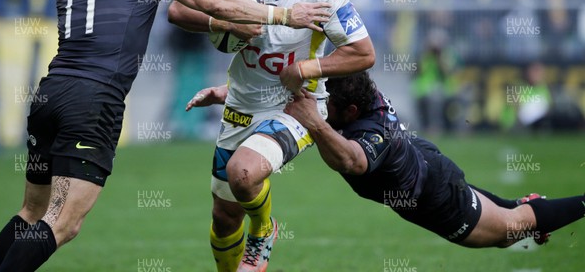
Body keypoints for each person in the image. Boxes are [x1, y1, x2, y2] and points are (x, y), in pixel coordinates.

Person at [0, 0, 331, 272]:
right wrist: (283, 14)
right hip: (92, 102)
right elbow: (210, 2)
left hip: (49, 95)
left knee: (32, 211)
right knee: (63, 222)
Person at [169, 0, 375, 271]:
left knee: (243, 173)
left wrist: (307, 67)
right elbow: (178, 11)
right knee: (224, 216)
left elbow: (363, 52)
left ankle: (264, 229)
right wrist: (227, 21)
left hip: (294, 107)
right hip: (240, 106)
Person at [189, 72, 585, 250]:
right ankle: (532, 209)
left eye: (330, 110)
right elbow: (305, 94)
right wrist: (228, 92)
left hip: (435, 197)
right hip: (424, 163)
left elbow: (354, 162)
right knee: (510, 220)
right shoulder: (351, 91)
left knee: (510, 231)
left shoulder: (370, 130)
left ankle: (561, 208)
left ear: (353, 109)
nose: (323, 110)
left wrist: (314, 124)